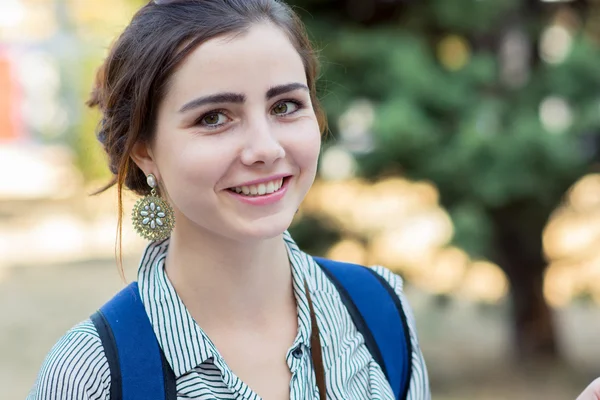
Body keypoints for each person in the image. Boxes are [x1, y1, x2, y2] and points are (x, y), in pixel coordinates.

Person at [28, 0, 430, 399]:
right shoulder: (92, 374)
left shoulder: (379, 311)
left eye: (285, 106)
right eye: (214, 117)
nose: (266, 148)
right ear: (144, 150)